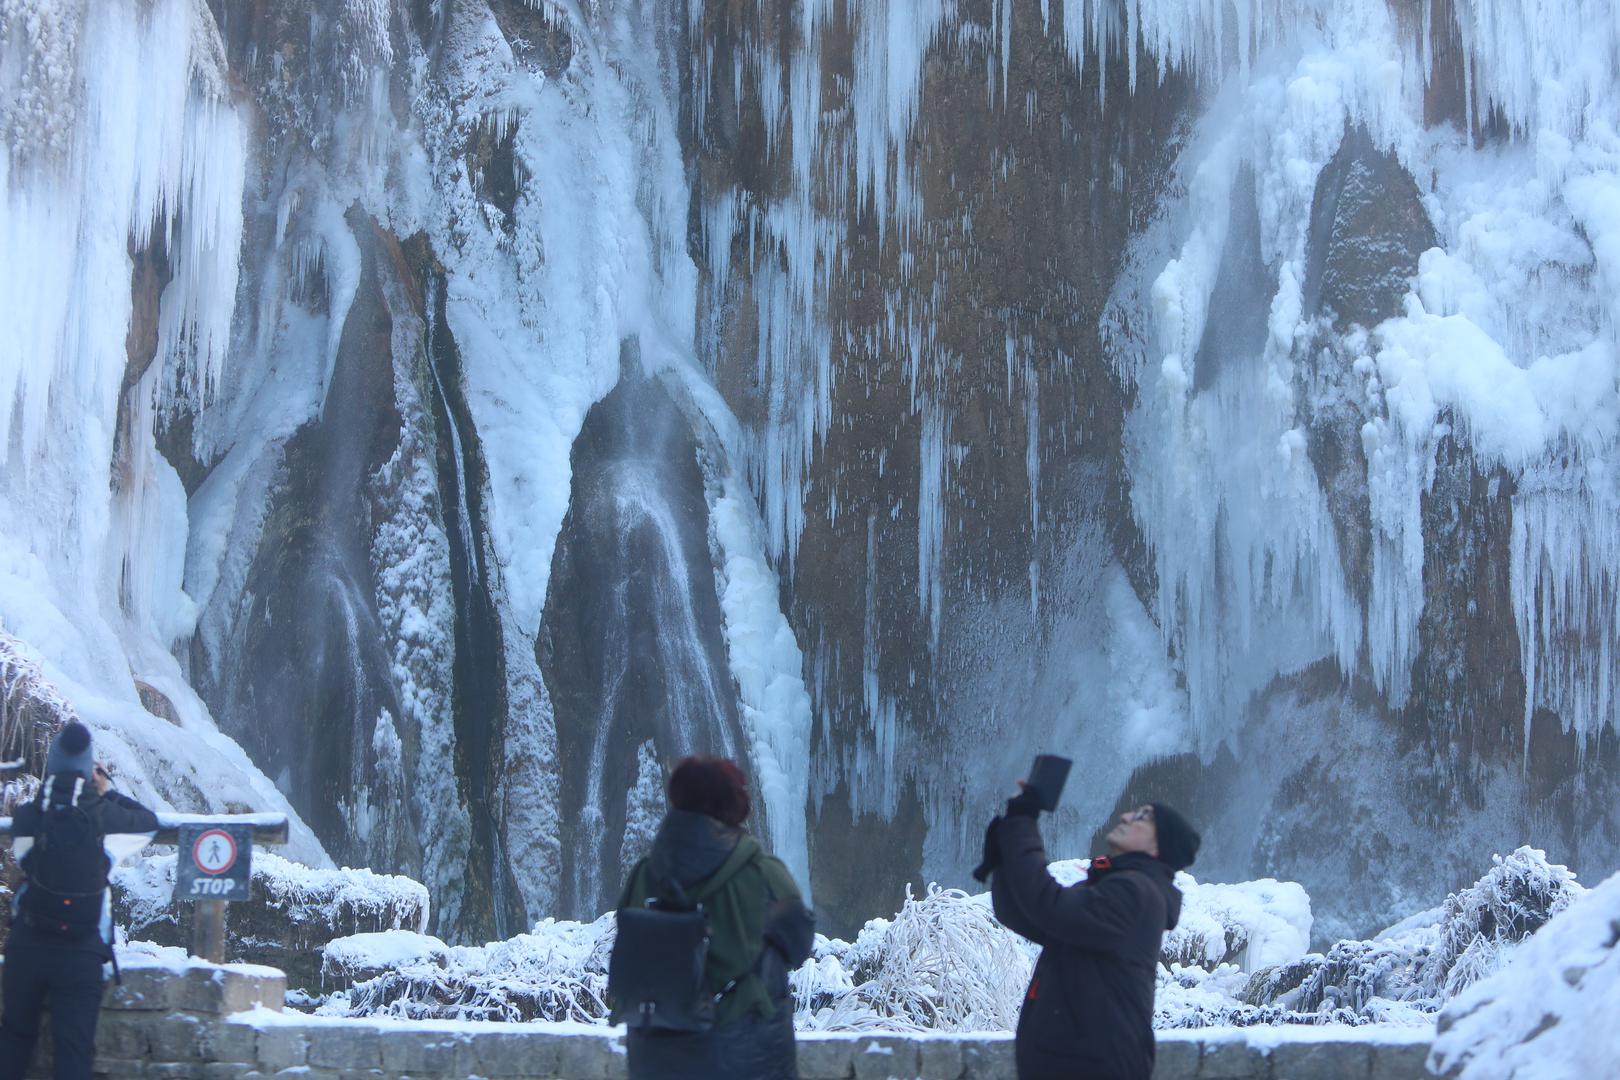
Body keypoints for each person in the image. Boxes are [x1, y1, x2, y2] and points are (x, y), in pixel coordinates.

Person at [612, 755, 814, 1080]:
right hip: (748, 1056)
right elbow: (798, 946)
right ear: (734, 803)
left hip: (658, 1058)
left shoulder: (644, 876)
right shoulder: (763, 874)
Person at [985, 790, 1201, 1080]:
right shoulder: (1112, 889)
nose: (1125, 816)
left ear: (1158, 846)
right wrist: (1004, 853)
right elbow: (1020, 913)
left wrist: (1023, 823)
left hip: (1092, 1065)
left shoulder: (1135, 894)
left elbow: (1047, 905)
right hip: (1076, 1063)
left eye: (1142, 817)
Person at [1, 723, 159, 1080]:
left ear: (52, 766)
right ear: (90, 769)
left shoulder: (28, 815)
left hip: (28, 944)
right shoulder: (104, 815)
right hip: (82, 950)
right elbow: (148, 824)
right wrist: (107, 791)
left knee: (13, 1039)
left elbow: (25, 860)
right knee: (73, 1051)